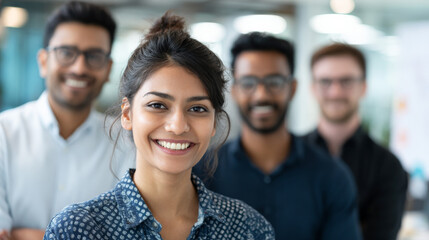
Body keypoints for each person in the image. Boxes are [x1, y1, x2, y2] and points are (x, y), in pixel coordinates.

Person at [43, 13, 275, 240]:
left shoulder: (248, 228)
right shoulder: (78, 229)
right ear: (127, 114)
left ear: (214, 121)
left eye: (197, 109)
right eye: (157, 105)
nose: (177, 126)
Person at [194, 32, 362, 240]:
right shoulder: (202, 172)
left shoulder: (332, 177)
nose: (262, 94)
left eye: (274, 82)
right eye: (248, 83)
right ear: (235, 91)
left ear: (292, 89)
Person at [0, 1, 132, 239]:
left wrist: (22, 235)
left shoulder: (126, 144)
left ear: (108, 68)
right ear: (43, 62)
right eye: (66, 53)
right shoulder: (3, 133)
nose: (79, 68)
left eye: (94, 56)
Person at [302, 42, 408, 240]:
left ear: (364, 87)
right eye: (325, 82)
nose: (335, 92)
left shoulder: (387, 166)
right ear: (313, 88)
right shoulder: (291, 154)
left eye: (346, 81)